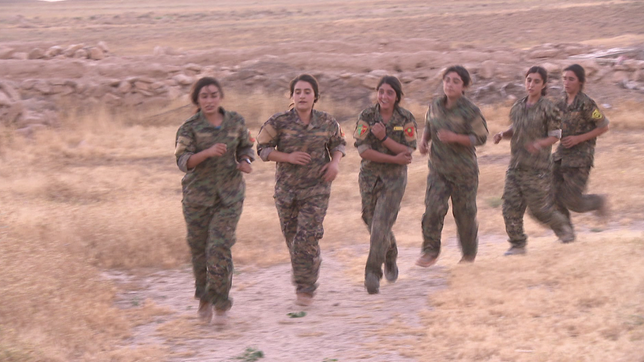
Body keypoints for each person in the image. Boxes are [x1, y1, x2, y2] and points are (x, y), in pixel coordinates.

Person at [256, 74, 346, 306]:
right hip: (287, 192)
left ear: (315, 96)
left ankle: (305, 288)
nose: (302, 96)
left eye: (307, 91)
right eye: (298, 92)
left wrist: (334, 163)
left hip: (316, 190)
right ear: (292, 96)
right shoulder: (278, 122)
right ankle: (311, 264)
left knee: (305, 238)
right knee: (294, 241)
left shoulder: (327, 121)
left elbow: (338, 143)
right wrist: (287, 156)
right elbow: (263, 150)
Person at [174, 77, 254, 325]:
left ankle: (221, 304)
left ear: (221, 96)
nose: (209, 100)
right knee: (199, 252)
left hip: (229, 197)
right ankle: (204, 299)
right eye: (204, 96)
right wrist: (206, 153)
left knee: (218, 248)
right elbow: (182, 162)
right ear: (197, 100)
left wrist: (246, 162)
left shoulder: (236, 121)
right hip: (197, 198)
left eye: (213, 95)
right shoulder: (189, 127)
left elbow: (247, 147)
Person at [494, 66, 574, 255]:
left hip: (537, 169)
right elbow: (516, 128)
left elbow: (555, 135)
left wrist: (539, 144)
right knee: (509, 207)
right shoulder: (518, 106)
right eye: (529, 80)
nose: (531, 84)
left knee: (539, 210)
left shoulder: (548, 108)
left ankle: (563, 228)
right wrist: (502, 134)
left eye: (536, 81)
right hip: (516, 166)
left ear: (544, 84)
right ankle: (517, 244)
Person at [416, 66, 489, 267]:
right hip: (438, 169)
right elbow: (429, 125)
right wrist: (424, 141)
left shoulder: (470, 110)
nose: (449, 84)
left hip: (464, 172)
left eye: (455, 81)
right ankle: (430, 251)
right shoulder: (436, 105)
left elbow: (481, 137)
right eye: (447, 80)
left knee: (464, 213)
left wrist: (456, 137)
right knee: (433, 209)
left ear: (464, 86)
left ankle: (468, 255)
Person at [354, 76, 417, 294]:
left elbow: (407, 151)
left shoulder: (406, 118)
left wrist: (382, 138)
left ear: (397, 96)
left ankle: (372, 274)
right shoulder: (367, 116)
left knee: (380, 225)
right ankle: (390, 253)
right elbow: (362, 150)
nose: (384, 96)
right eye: (381, 91)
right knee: (370, 220)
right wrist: (393, 156)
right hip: (370, 178)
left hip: (394, 180)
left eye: (390, 92)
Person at [553, 64, 610, 230]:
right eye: (564, 78)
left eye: (571, 79)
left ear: (580, 82)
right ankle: (566, 231)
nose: (567, 82)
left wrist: (579, 139)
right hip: (561, 156)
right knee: (550, 192)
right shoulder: (560, 104)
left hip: (580, 159)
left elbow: (604, 126)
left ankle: (598, 202)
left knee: (573, 201)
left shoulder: (587, 104)